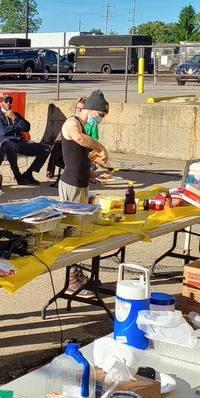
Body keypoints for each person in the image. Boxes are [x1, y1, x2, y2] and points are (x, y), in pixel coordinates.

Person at [60, 90, 110, 295]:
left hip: (81, 183)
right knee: (71, 232)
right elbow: (79, 139)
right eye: (100, 114)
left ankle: (79, 274)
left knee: (79, 231)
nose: (100, 119)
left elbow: (78, 159)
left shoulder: (83, 126)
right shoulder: (72, 123)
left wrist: (93, 175)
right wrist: (101, 146)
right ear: (89, 109)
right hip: (70, 185)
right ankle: (72, 279)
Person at [0, 94, 51, 185]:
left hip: (20, 141)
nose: (8, 104)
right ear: (1, 103)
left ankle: (29, 173)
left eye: (10, 102)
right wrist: (17, 127)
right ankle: (17, 175)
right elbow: (3, 132)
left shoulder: (16, 115)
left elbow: (26, 128)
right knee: (10, 146)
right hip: (4, 142)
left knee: (46, 149)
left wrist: (15, 118)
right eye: (6, 102)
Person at [46, 97, 88, 180]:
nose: (79, 111)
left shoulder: (90, 124)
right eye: (77, 108)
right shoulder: (72, 121)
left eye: (81, 109)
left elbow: (94, 138)